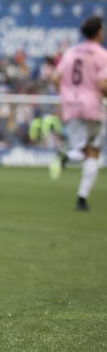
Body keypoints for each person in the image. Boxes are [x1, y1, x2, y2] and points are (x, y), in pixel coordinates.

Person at [49, 16, 107, 211]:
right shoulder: (101, 54)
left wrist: (66, 94)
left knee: (86, 149)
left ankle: (82, 199)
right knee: (93, 151)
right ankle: (67, 156)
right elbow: (102, 84)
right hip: (92, 106)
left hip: (70, 105)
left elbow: (55, 77)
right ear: (99, 32)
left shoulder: (71, 52)